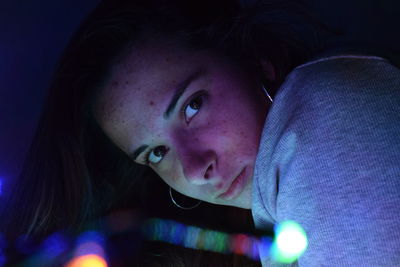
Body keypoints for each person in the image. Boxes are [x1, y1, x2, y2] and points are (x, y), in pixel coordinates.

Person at [1, 0, 399, 266]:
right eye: (156, 153)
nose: (194, 169)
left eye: (192, 106)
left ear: (254, 59)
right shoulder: (277, 201)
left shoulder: (326, 110)